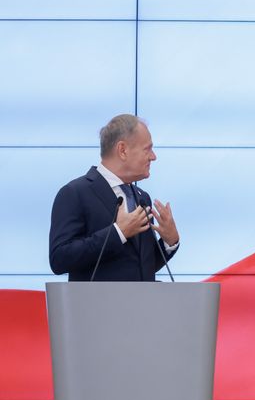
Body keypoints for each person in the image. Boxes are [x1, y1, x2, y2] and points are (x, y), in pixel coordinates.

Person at [49, 114, 180, 282]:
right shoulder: (75, 193)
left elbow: (140, 267)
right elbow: (59, 259)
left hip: (143, 306)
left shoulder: (142, 198)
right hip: (95, 306)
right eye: (147, 149)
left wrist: (169, 242)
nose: (153, 156)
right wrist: (118, 233)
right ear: (123, 150)